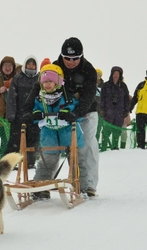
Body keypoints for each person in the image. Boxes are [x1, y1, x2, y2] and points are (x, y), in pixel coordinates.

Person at [31, 64, 84, 200]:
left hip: (67, 130)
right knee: (47, 159)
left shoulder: (66, 95)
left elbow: (74, 105)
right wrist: (36, 113)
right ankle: (41, 187)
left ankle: (78, 186)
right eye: (45, 82)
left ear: (58, 82)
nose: (48, 85)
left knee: (73, 159)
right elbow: (36, 108)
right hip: (49, 132)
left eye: (51, 81)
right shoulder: (40, 98)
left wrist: (68, 111)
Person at [54, 37, 98, 197]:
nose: (71, 62)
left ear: (81, 56)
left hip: (86, 112)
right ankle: (62, 180)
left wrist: (78, 112)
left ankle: (89, 184)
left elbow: (88, 95)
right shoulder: (55, 67)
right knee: (61, 146)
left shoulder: (89, 70)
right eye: (67, 58)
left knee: (85, 145)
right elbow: (41, 87)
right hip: (62, 112)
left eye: (75, 59)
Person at [5, 55, 40, 169]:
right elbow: (11, 98)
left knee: (33, 140)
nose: (31, 66)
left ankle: (30, 162)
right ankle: (8, 163)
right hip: (19, 115)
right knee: (14, 141)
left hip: (34, 116)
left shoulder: (39, 79)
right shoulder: (18, 78)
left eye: (33, 64)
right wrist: (11, 115)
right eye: (29, 64)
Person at [100, 66, 130, 151]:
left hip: (119, 113)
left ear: (120, 75)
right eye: (114, 73)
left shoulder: (123, 86)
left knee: (117, 131)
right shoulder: (106, 85)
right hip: (108, 112)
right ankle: (104, 147)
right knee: (106, 131)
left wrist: (126, 111)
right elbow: (102, 98)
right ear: (111, 74)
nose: (116, 75)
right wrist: (102, 109)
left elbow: (126, 100)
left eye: (118, 73)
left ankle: (115, 148)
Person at [130, 72, 147, 149]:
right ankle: (140, 146)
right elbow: (135, 98)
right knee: (140, 130)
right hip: (140, 112)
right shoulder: (141, 85)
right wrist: (130, 107)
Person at [95, 68, 104, 141]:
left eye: (99, 75)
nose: (98, 76)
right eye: (96, 74)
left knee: (98, 127)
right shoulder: (90, 83)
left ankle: (96, 141)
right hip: (91, 108)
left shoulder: (103, 86)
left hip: (100, 109)